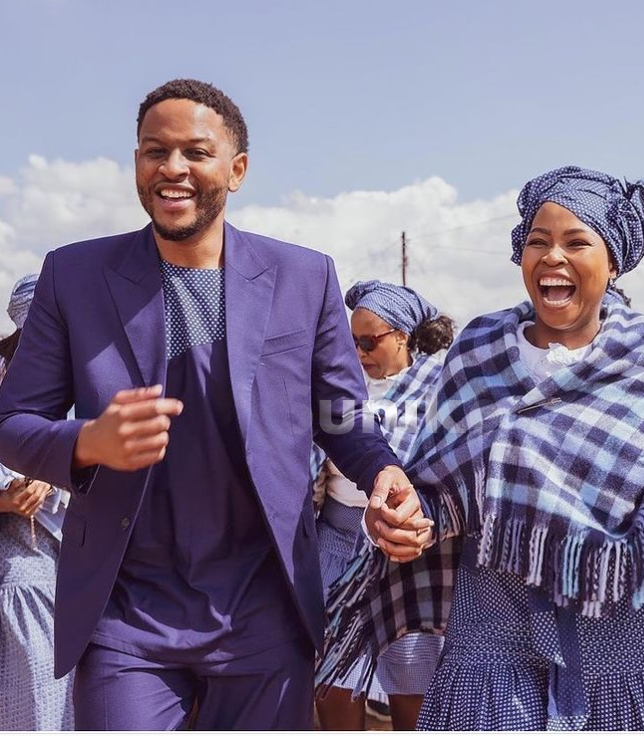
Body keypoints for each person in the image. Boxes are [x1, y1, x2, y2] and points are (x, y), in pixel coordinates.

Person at [0, 79, 431, 731]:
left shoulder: (304, 276)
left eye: (195, 152)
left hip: (265, 607)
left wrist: (385, 475)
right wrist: (89, 443)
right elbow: (12, 424)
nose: (172, 167)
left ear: (237, 170)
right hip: (126, 611)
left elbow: (341, 416)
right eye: (154, 151)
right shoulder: (74, 275)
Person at [320, 166, 644, 730]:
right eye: (537, 243)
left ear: (613, 262)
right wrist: (404, 522)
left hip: (621, 651)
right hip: (493, 643)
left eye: (576, 242)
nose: (552, 258)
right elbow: (441, 494)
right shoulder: (477, 355)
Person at [314, 279, 454, 730]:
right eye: (350, 342)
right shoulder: (337, 387)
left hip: (410, 553)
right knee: (332, 678)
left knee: (413, 682)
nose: (359, 352)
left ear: (403, 336)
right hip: (336, 545)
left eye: (369, 341)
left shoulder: (440, 387)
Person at [0, 275, 74, 730]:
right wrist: (8, 500)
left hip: (85, 571)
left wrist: (56, 468)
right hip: (24, 568)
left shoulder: (90, 380)